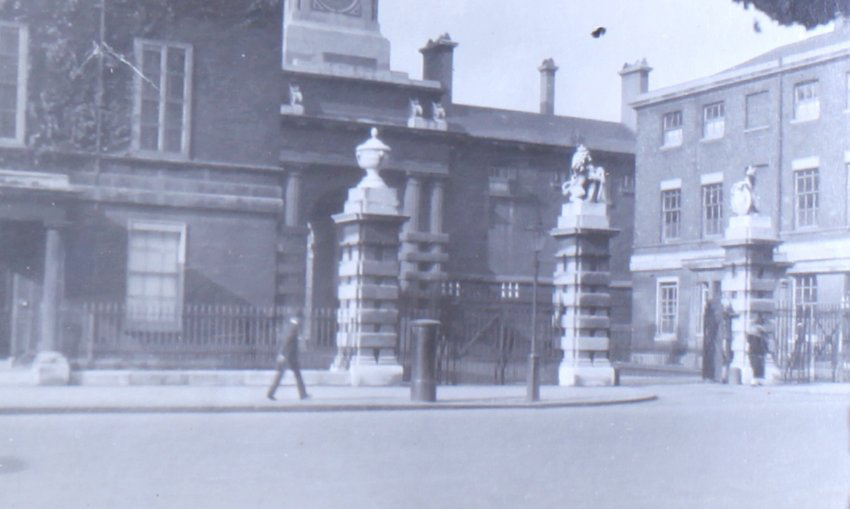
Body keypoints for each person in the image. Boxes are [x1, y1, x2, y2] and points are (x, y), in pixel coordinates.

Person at [267, 310, 309, 401]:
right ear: (298, 319)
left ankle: (303, 394)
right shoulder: (293, 327)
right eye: (300, 319)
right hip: (288, 356)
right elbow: (287, 341)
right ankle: (303, 394)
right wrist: (282, 354)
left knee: (288, 375)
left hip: (289, 356)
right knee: (290, 375)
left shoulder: (289, 326)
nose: (301, 321)